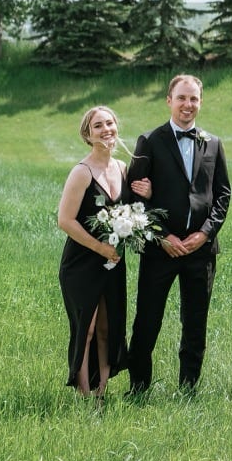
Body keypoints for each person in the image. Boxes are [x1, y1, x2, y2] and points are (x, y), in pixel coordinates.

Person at [127, 74, 232, 394]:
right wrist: (162, 236)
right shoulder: (150, 141)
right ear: (169, 100)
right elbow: (134, 197)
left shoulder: (212, 143)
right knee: (148, 319)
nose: (188, 105)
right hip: (161, 249)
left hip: (200, 251)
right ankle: (138, 387)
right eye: (182, 98)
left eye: (194, 99)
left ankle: (188, 387)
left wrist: (205, 234)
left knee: (195, 322)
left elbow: (223, 194)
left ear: (200, 102)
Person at [58, 105, 149, 398]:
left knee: (108, 329)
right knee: (86, 328)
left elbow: (135, 208)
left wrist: (145, 194)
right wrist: (99, 247)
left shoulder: (122, 168)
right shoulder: (81, 172)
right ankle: (84, 395)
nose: (106, 130)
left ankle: (101, 393)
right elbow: (65, 221)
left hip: (113, 262)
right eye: (98, 126)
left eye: (109, 123)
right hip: (82, 261)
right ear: (87, 134)